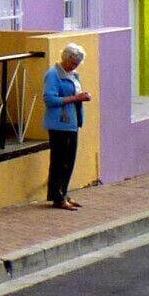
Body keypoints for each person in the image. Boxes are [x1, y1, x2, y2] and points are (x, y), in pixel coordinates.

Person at [44, 43, 90, 209]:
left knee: (69, 161)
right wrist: (75, 99)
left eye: (77, 64)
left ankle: (64, 192)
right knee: (59, 161)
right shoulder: (53, 75)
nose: (74, 66)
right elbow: (50, 99)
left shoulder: (73, 75)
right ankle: (57, 196)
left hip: (72, 123)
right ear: (65, 59)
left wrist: (82, 97)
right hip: (59, 124)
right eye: (72, 63)